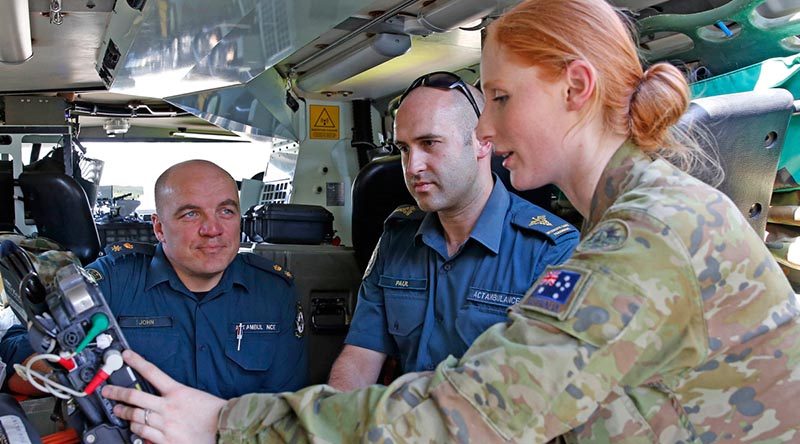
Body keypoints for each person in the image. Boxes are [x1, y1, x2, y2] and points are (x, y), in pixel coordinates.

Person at [102, 0, 800, 442]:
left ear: (575, 88)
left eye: (499, 98)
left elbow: (478, 415)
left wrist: (226, 422)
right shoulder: (642, 213)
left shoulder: (644, 234)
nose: (488, 129)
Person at [328, 72, 578, 390]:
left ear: (482, 142)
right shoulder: (396, 238)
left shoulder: (554, 250)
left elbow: (544, 384)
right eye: (404, 149)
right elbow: (360, 358)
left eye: (429, 143)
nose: (412, 166)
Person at [1, 160, 308, 398]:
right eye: (191, 214)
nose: (213, 229)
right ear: (159, 229)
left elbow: (285, 407)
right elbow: (20, 343)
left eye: (226, 211)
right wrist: (69, 370)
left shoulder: (273, 292)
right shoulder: (114, 279)